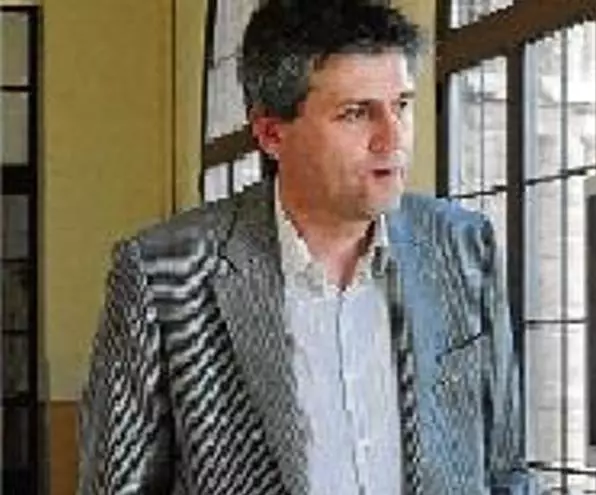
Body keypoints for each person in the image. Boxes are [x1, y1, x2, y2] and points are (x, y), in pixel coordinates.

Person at [78, 0, 533, 493]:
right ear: (271, 133)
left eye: (401, 105)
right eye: (356, 113)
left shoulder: (463, 248)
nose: (393, 138)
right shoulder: (163, 273)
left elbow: (505, 471)